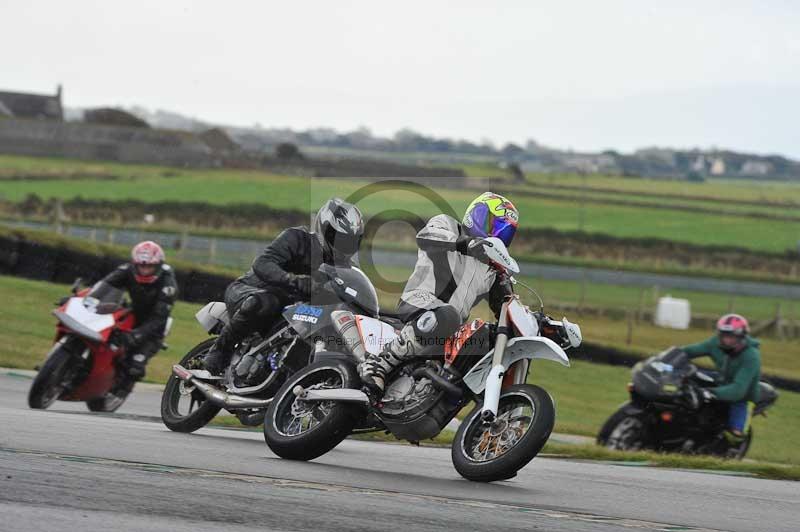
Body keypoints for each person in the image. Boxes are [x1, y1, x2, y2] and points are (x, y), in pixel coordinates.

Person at [359, 192, 519, 396]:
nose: (497, 235)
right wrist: (465, 244)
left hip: (451, 327)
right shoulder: (447, 225)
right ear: (477, 215)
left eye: (504, 232)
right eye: (493, 226)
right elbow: (426, 238)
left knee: (485, 337)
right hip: (420, 303)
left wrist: (542, 324)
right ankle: (379, 362)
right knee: (448, 315)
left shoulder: (491, 269)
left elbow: (507, 304)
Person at [203, 198, 365, 375]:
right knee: (265, 302)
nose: (343, 246)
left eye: (348, 241)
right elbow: (262, 263)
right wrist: (294, 280)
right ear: (324, 229)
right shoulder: (296, 238)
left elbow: (352, 297)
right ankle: (219, 352)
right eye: (338, 238)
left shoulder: (348, 270)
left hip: (295, 311)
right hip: (249, 291)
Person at [102, 241, 178, 387]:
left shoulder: (168, 283)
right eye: (141, 266)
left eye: (149, 266)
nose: (144, 270)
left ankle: (122, 387)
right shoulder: (127, 269)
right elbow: (104, 286)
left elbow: (159, 318)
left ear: (158, 265)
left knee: (135, 367)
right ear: (135, 263)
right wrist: (83, 299)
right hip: (134, 312)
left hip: (154, 327)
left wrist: (137, 335)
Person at [681, 313, 762, 441]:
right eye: (724, 335)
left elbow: (738, 390)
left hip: (743, 396)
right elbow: (689, 351)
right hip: (721, 381)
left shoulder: (751, 356)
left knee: (734, 436)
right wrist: (668, 357)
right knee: (688, 378)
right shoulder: (715, 343)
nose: (727, 340)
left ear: (742, 336)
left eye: (732, 337)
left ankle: (730, 451)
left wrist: (709, 392)